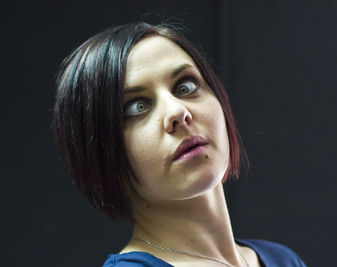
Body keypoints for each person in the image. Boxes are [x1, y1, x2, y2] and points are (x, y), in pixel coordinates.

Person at [53, 22, 307, 267]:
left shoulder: (283, 260)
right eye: (136, 107)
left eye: (185, 86)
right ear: (101, 153)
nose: (177, 111)